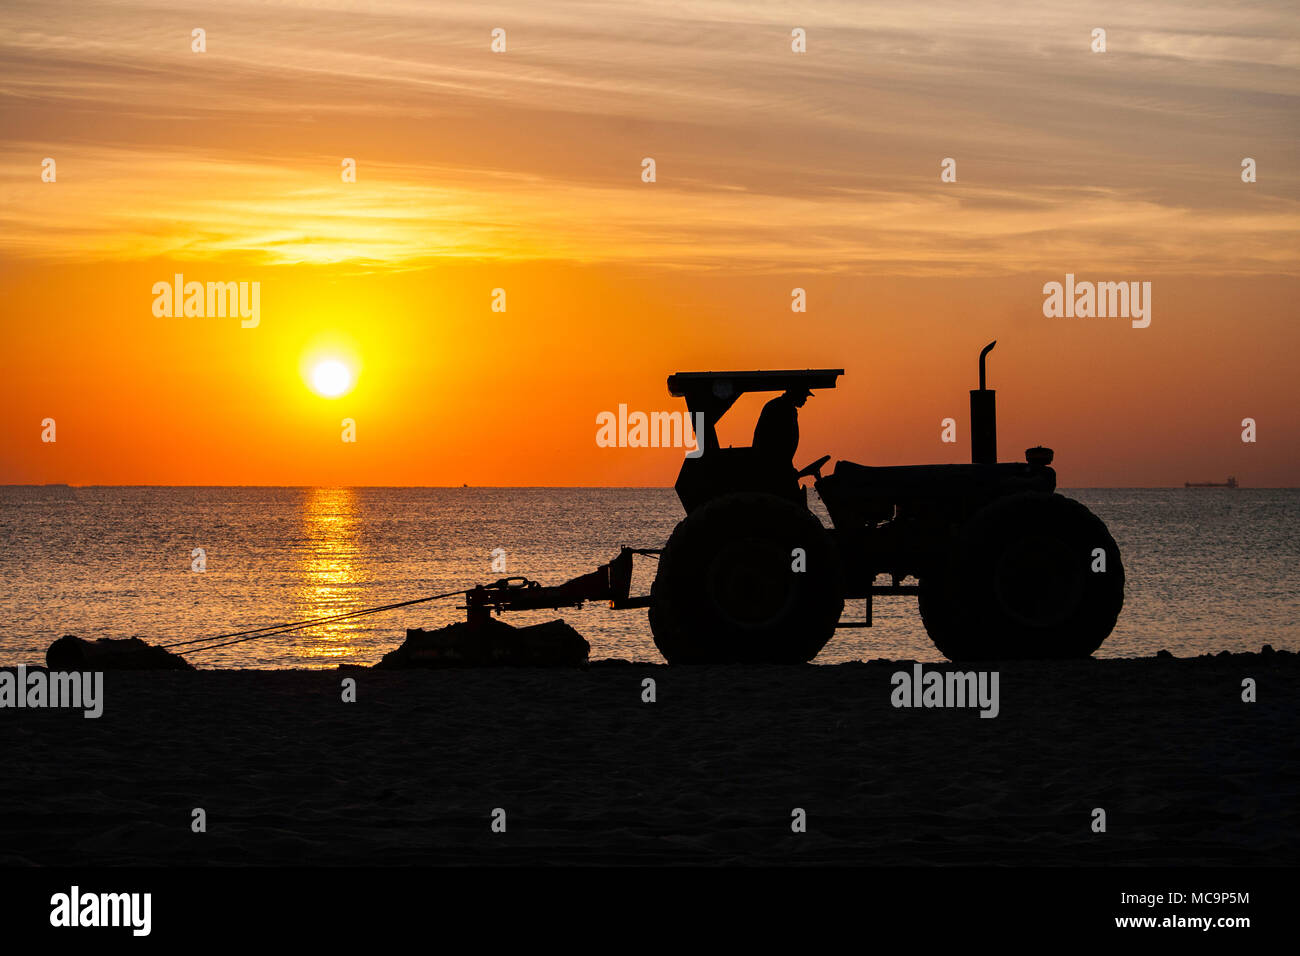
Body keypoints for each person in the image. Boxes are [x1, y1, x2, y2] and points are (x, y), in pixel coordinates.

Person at [752, 386, 812, 472]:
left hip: (779, 462)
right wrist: (785, 466)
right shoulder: (784, 409)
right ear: (796, 394)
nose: (805, 400)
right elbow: (782, 441)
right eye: (804, 396)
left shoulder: (780, 406)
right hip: (773, 464)